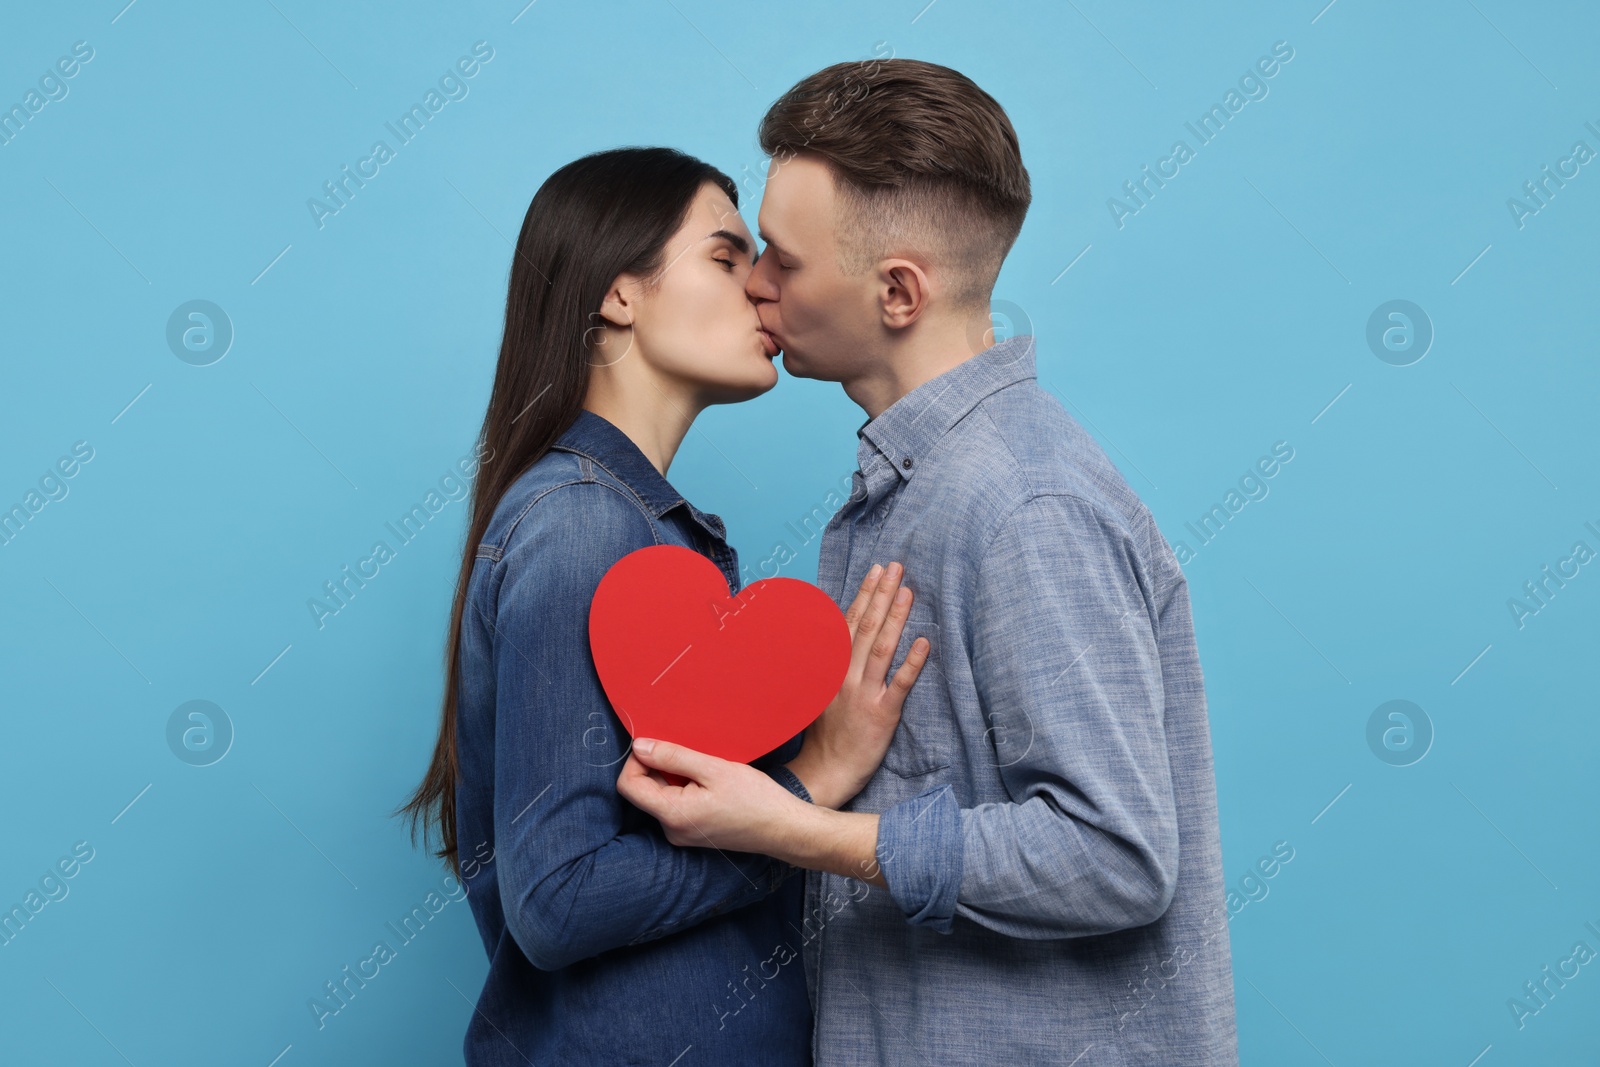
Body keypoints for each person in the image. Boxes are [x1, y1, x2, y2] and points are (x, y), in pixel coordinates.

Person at [617, 60, 1241, 1065]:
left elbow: (1117, 855)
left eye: (782, 257)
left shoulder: (1025, 504)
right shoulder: (909, 492)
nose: (756, 283)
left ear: (896, 290)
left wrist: (794, 828)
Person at [396, 145, 931, 1066]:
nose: (765, 286)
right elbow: (556, 901)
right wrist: (810, 789)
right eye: (726, 258)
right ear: (619, 294)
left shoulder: (640, 528)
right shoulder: (580, 528)